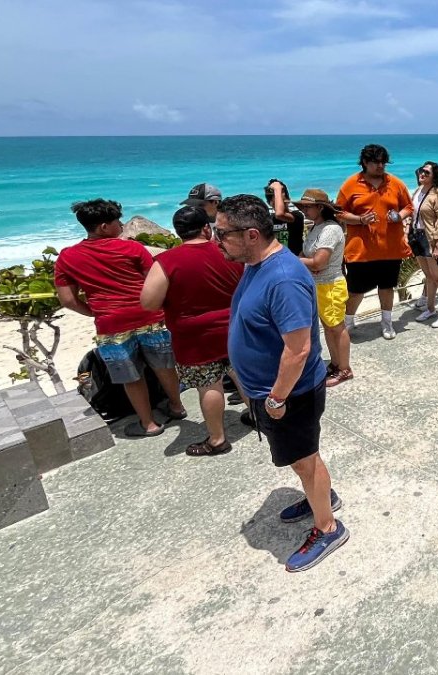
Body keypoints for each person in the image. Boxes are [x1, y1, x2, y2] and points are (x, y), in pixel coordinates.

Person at [216, 194, 347, 573]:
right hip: (272, 391)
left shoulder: (284, 277)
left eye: (223, 233)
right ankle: (320, 496)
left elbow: (299, 348)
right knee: (301, 457)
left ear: (252, 234)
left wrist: (276, 399)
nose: (217, 239)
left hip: (290, 394)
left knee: (306, 459)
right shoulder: (255, 264)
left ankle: (327, 527)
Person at [54, 199, 186, 438]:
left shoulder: (68, 257)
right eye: (117, 221)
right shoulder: (132, 248)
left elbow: (68, 300)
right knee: (164, 366)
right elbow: (155, 281)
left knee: (130, 376)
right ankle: (177, 406)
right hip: (150, 317)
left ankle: (148, 424)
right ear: (104, 226)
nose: (122, 225)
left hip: (111, 325)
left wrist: (97, 311)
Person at [139, 205, 244, 454]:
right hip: (234, 328)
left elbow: (149, 302)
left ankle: (217, 439)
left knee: (209, 386)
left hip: (194, 338)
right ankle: (261, 419)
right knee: (243, 376)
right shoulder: (228, 251)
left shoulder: (167, 261)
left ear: (178, 232)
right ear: (207, 228)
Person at [334, 144, 413, 340]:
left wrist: (399, 216)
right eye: (376, 162)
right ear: (365, 163)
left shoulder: (396, 183)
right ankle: (348, 323)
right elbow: (338, 212)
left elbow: (409, 206)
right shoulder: (351, 184)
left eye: (383, 162)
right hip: (360, 250)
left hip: (390, 248)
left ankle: (387, 323)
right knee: (355, 290)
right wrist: (360, 219)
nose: (380, 166)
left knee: (387, 288)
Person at [294, 189, 352, 387]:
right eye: (303, 207)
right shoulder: (316, 228)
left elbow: (319, 262)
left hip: (330, 284)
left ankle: (345, 369)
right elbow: (308, 256)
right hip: (319, 284)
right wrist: (305, 261)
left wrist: (300, 261)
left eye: (308, 207)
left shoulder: (330, 230)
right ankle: (336, 364)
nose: (304, 210)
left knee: (337, 327)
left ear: (320, 208)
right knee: (328, 327)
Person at [410, 162, 438, 328]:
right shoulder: (418, 191)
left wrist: (437, 245)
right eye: (421, 171)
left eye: (426, 172)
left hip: (432, 239)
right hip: (417, 237)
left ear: (434, 176)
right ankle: (430, 308)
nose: (422, 174)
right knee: (429, 276)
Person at [267, 179, 306, 256]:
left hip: (295, 259)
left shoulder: (297, 216)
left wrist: (277, 189)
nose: (279, 204)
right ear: (269, 203)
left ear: (288, 200)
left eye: (281, 201)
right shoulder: (268, 220)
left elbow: (279, 214)